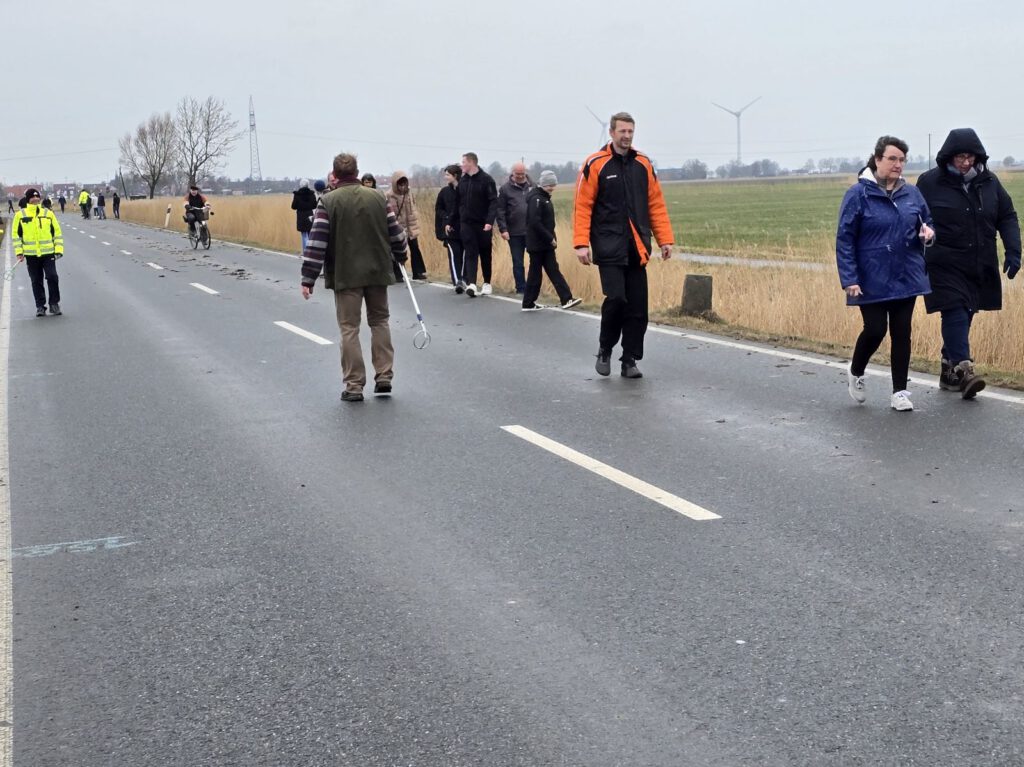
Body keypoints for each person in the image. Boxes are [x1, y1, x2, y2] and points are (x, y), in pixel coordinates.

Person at [916, 128, 1021, 399]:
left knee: (967, 311)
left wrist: (1013, 251)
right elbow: (913, 217)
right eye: (960, 157)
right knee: (956, 310)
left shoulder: (989, 182)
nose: (966, 162)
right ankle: (965, 370)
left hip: (979, 261)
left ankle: (947, 369)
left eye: (970, 156)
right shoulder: (929, 183)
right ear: (948, 157)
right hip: (944, 261)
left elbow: (1007, 215)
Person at [836, 135, 934, 412]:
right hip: (871, 276)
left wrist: (928, 234)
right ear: (877, 160)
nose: (898, 164)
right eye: (892, 158)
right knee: (876, 329)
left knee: (902, 332)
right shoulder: (858, 194)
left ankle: (900, 392)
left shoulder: (912, 193)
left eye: (902, 159)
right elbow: (845, 238)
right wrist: (849, 278)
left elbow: (927, 222)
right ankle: (856, 371)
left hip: (907, 274)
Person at [573, 112, 674, 379]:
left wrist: (665, 239)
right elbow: (582, 206)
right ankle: (605, 348)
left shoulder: (643, 163)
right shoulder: (595, 163)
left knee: (638, 308)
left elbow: (655, 204)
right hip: (607, 245)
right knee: (616, 299)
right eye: (622, 132)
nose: (627, 136)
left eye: (631, 132)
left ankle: (629, 359)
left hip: (637, 246)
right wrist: (581, 244)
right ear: (612, 132)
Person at [301, 152, 408, 402]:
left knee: (349, 328)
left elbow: (316, 243)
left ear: (335, 175)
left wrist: (308, 278)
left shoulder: (328, 202)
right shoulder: (379, 198)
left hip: (346, 274)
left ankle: (354, 385)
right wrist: (401, 254)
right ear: (357, 173)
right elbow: (396, 233)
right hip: (377, 271)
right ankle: (384, 376)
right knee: (380, 321)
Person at [522, 170, 581, 312]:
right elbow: (535, 223)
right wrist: (550, 238)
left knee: (552, 270)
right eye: (549, 185)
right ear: (542, 184)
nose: (552, 188)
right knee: (536, 274)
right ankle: (529, 303)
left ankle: (565, 298)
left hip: (545, 244)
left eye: (553, 185)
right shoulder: (537, 199)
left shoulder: (544, 197)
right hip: (538, 244)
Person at [11, 188, 64, 317]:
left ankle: (54, 304)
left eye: (37, 197)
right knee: (36, 280)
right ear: (28, 199)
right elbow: (16, 235)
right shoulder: (20, 215)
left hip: (48, 254)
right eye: (32, 197)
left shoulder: (48, 213)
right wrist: (19, 252)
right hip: (31, 255)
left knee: (52, 277)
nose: (35, 199)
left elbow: (57, 232)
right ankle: (40, 306)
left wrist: (58, 250)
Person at [456, 152, 497, 297]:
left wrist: (489, 221)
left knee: (485, 253)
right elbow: (458, 201)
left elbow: (493, 202)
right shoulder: (463, 181)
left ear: (471, 163)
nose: (462, 165)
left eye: (463, 162)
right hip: (467, 224)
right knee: (471, 253)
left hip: (483, 223)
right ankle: (472, 283)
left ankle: (486, 283)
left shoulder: (487, 180)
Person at [496, 162, 533, 294]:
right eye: (517, 174)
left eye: (522, 174)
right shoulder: (505, 189)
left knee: (535, 261)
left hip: (531, 232)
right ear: (512, 173)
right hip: (514, 232)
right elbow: (500, 211)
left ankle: (532, 287)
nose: (520, 176)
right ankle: (521, 288)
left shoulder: (532, 187)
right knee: (518, 262)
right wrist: (503, 229)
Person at [386, 170, 427, 280]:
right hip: (398, 226)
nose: (403, 187)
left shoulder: (409, 193)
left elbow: (413, 207)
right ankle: (397, 273)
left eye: (404, 184)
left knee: (415, 248)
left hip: (411, 225)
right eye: (400, 185)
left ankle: (418, 272)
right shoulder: (389, 195)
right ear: (395, 184)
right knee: (397, 250)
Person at [435, 164, 464, 291]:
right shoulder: (444, 192)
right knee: (454, 254)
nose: (445, 177)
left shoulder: (464, 190)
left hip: (464, 228)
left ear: (455, 175)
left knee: (465, 255)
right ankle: (457, 280)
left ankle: (465, 279)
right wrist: (446, 218)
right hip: (450, 229)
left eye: (448, 174)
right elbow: (438, 209)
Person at [291, 179, 317, 251]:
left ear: (300, 185)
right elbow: (314, 205)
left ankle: (305, 251)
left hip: (301, 215)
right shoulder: (312, 194)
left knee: (304, 234)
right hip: (309, 215)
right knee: (310, 233)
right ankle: (311, 250)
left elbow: (293, 206)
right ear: (308, 185)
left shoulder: (297, 195)